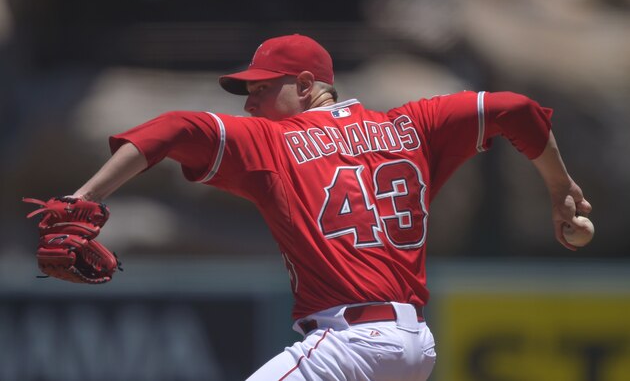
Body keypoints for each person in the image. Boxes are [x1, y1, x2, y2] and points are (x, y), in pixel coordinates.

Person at [68, 34, 591, 380]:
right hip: (414, 349)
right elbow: (515, 110)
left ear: (304, 85)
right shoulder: (414, 125)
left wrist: (85, 197)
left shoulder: (273, 144)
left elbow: (174, 129)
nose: (248, 103)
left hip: (353, 344)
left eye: (260, 88)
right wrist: (560, 188)